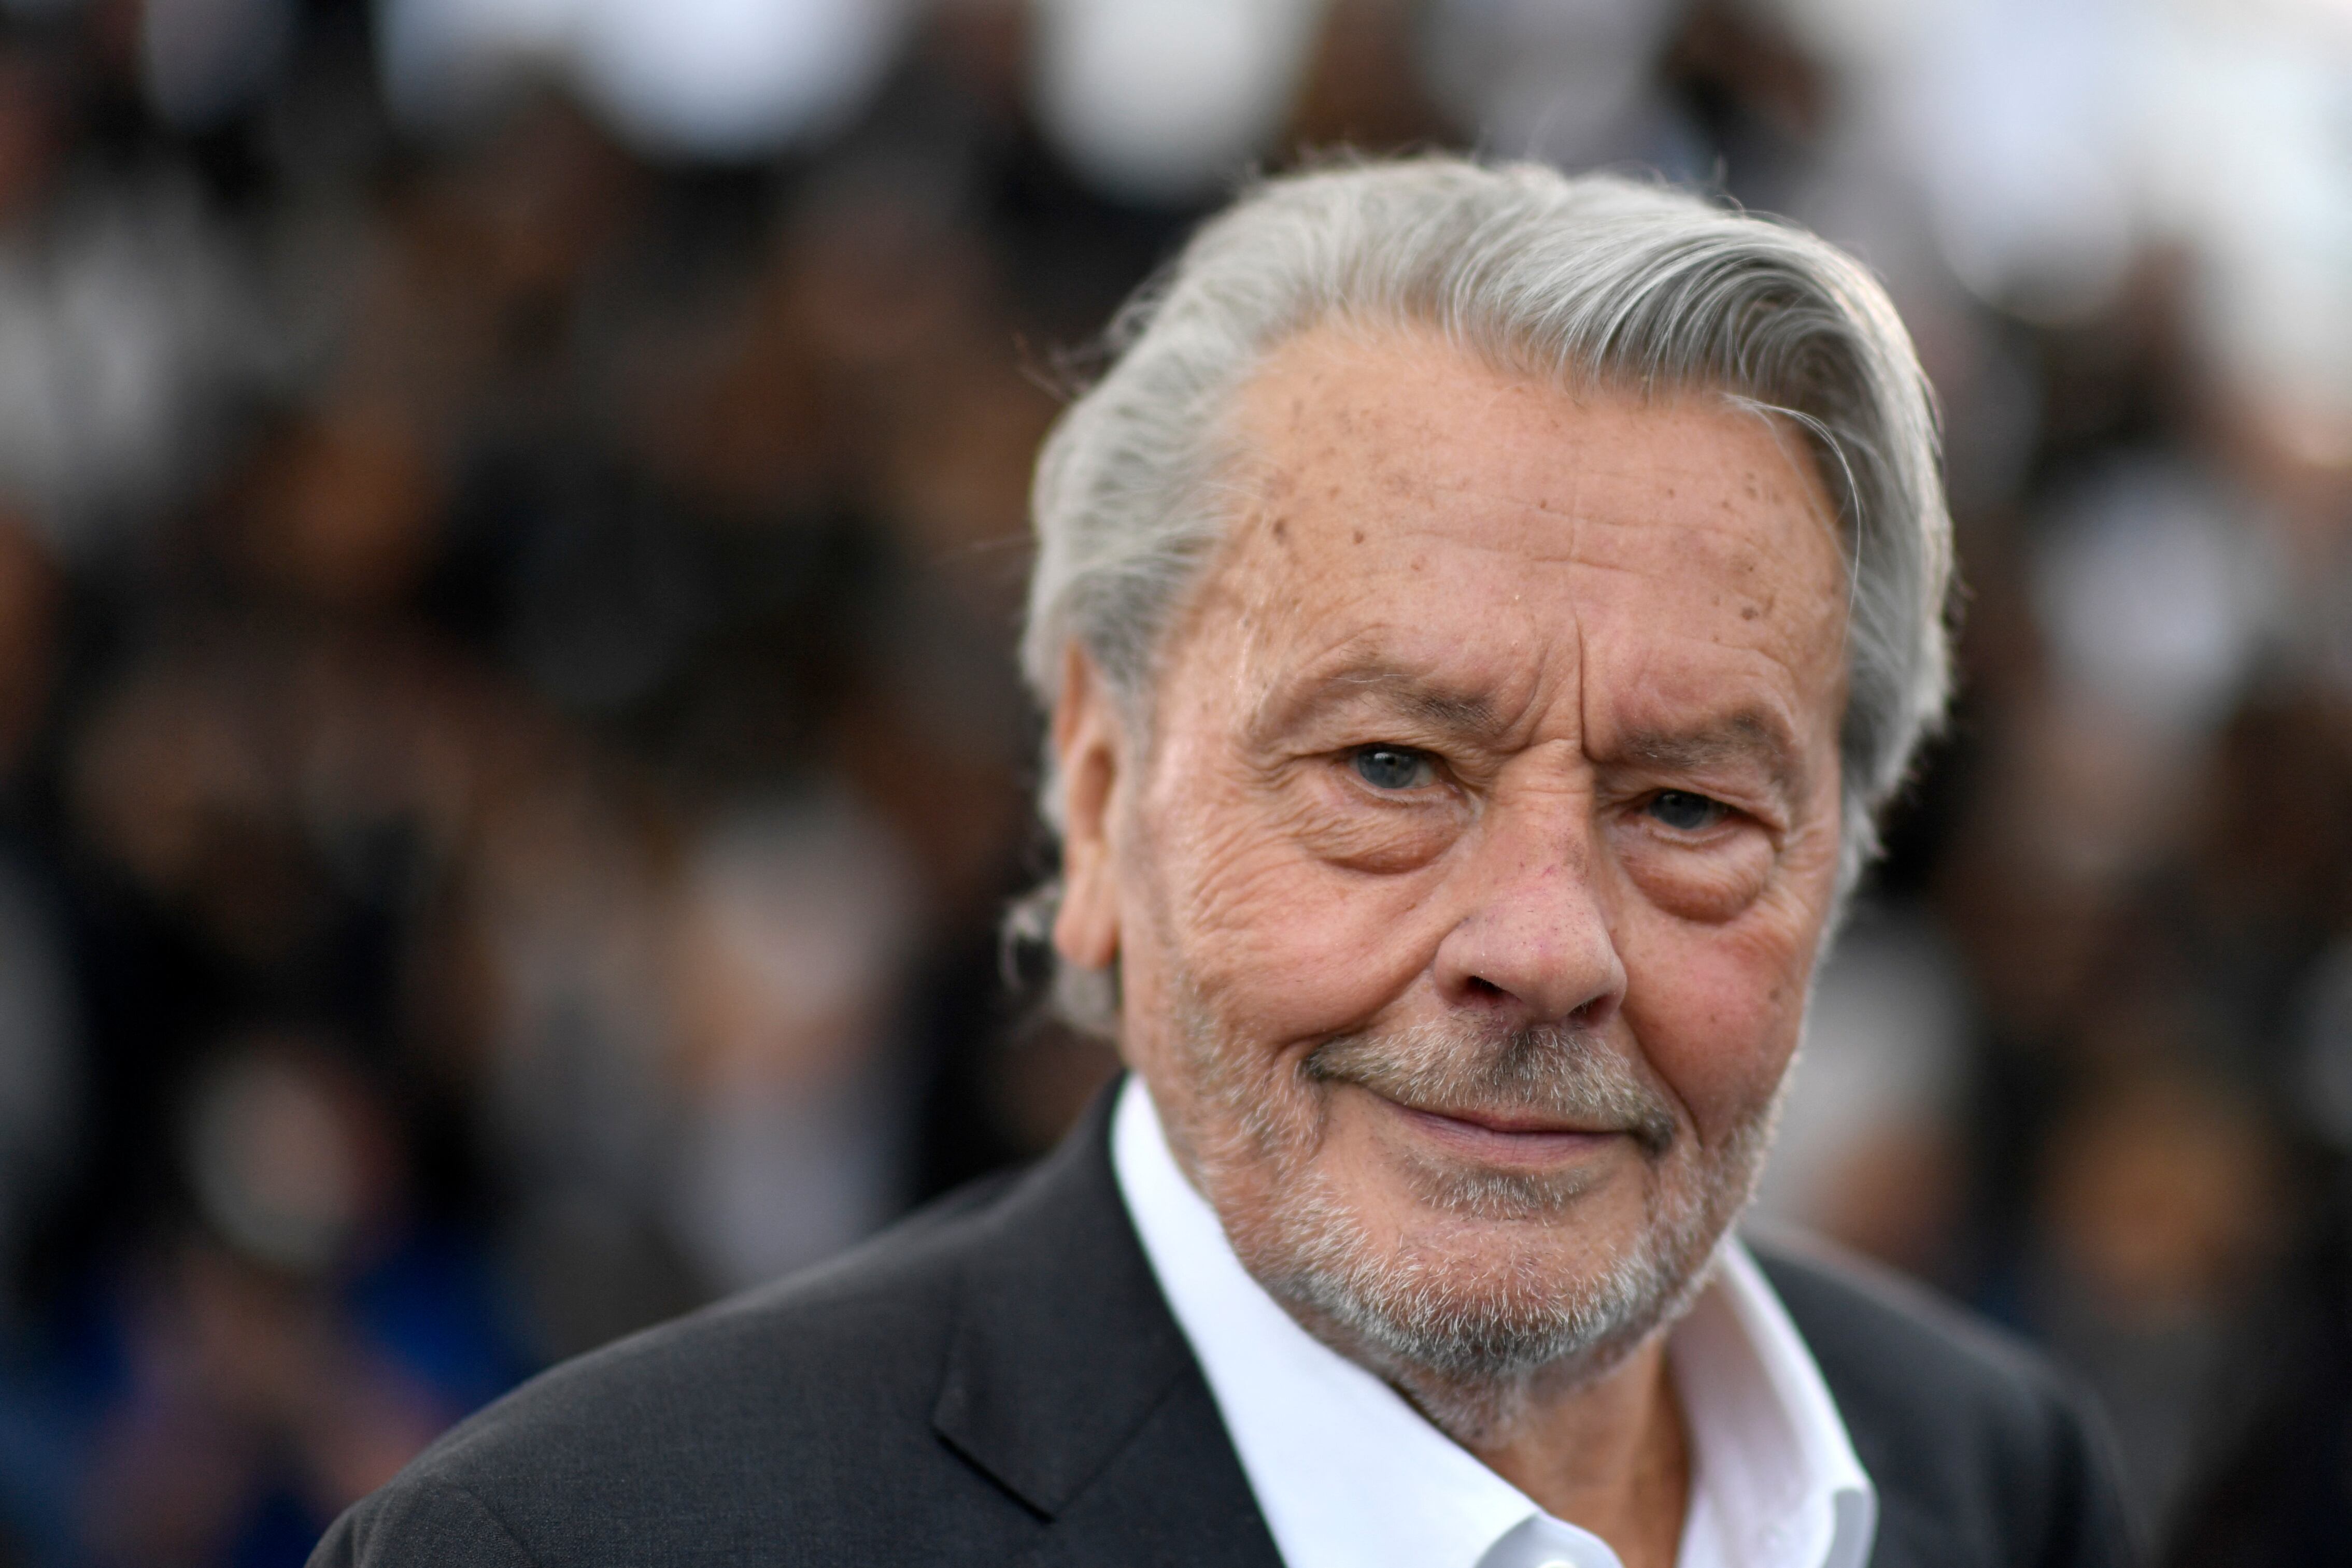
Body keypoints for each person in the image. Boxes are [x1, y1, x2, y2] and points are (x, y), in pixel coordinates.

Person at [312, 156, 2135, 1568]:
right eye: (1391, 766)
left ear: (1840, 861)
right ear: (1100, 801)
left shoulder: (1997, 1481)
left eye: (1685, 810)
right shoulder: (584, 1550)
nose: (1544, 943)